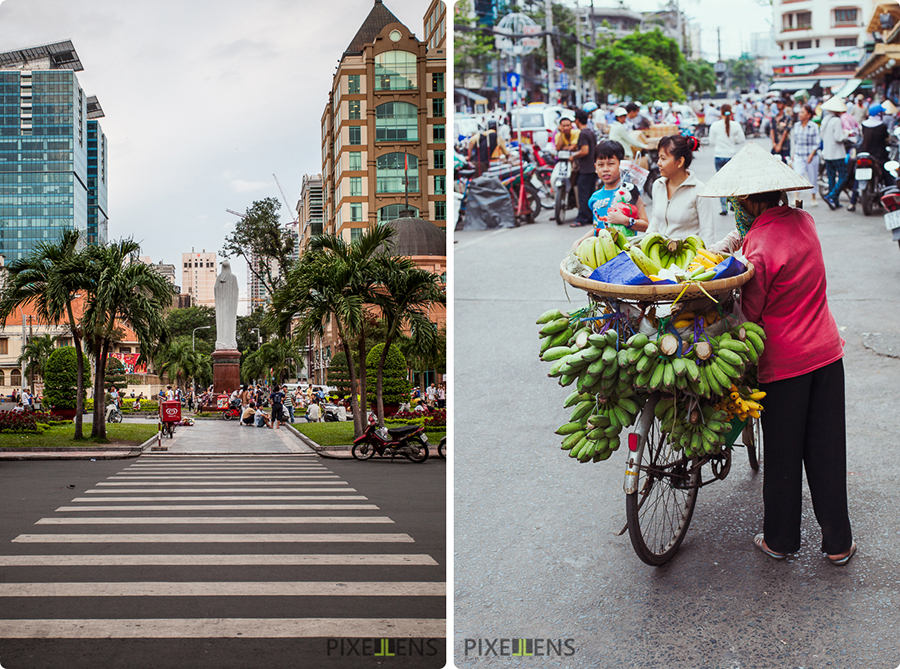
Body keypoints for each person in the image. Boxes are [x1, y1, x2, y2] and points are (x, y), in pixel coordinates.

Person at [697, 142, 856, 565]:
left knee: (784, 454)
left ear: (749, 200)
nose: (735, 210)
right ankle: (838, 543)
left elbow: (749, 314)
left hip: (785, 365)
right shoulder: (804, 221)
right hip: (826, 353)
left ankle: (780, 540)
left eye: (737, 203)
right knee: (826, 450)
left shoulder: (760, 247)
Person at [574, 140, 649, 245]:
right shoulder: (594, 198)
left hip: (625, 252)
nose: (605, 169)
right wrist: (580, 241)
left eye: (611, 164)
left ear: (621, 165)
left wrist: (626, 221)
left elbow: (646, 225)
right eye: (601, 165)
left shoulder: (629, 194)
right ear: (595, 168)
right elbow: (598, 227)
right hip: (602, 254)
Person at [645, 134, 716, 242]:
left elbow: (707, 233)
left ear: (679, 162)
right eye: (659, 158)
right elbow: (655, 220)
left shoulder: (699, 191)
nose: (658, 163)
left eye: (663, 158)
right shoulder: (657, 185)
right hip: (659, 254)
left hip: (687, 256)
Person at [709, 103, 746, 216]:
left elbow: (711, 142)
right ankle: (733, 205)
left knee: (722, 183)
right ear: (731, 112)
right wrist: (732, 140)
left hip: (719, 156)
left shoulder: (714, 125)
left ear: (720, 112)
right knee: (733, 183)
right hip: (731, 156)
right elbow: (741, 139)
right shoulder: (736, 125)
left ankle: (723, 208)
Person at [569, 108, 598, 229]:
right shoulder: (590, 132)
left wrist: (574, 155)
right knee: (590, 193)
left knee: (583, 194)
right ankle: (590, 217)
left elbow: (584, 150)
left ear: (577, 120)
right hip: (592, 168)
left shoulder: (583, 134)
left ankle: (581, 218)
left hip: (586, 169)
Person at [820, 96, 849, 210]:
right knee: (843, 176)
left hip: (827, 153)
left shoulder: (825, 119)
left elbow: (822, 135)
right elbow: (839, 138)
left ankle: (835, 202)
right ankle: (831, 196)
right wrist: (847, 134)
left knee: (831, 177)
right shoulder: (836, 120)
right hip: (837, 154)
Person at [790, 104, 820, 207]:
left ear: (808, 115)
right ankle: (796, 197)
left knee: (812, 178)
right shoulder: (796, 126)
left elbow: (817, 142)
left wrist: (812, 154)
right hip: (799, 155)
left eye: (802, 112)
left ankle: (813, 197)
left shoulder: (814, 126)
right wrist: (792, 155)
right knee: (797, 176)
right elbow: (794, 142)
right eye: (800, 112)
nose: (800, 114)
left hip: (811, 156)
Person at [769, 98, 793, 164]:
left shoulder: (787, 118)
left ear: (784, 105)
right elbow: (772, 130)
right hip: (775, 145)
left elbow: (786, 132)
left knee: (785, 164)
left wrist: (779, 145)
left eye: (780, 103)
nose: (778, 105)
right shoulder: (774, 118)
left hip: (784, 146)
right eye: (777, 103)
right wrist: (774, 143)